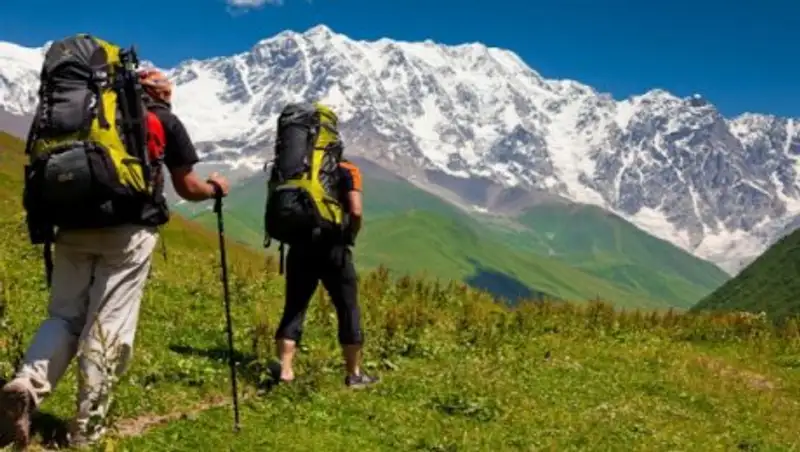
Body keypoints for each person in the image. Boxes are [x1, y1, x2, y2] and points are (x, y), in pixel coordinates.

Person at [0, 68, 230, 449]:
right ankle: (87, 431)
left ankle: (26, 384)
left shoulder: (84, 118)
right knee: (107, 326)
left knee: (63, 317)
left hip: (71, 227)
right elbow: (188, 187)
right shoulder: (162, 119)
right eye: (168, 89)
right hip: (127, 232)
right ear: (159, 92)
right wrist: (215, 189)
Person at [272, 156, 379, 389]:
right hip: (334, 247)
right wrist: (350, 234)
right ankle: (354, 374)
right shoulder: (347, 169)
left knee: (295, 307)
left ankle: (285, 370)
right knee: (347, 307)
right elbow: (357, 211)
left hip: (300, 246)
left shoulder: (297, 168)